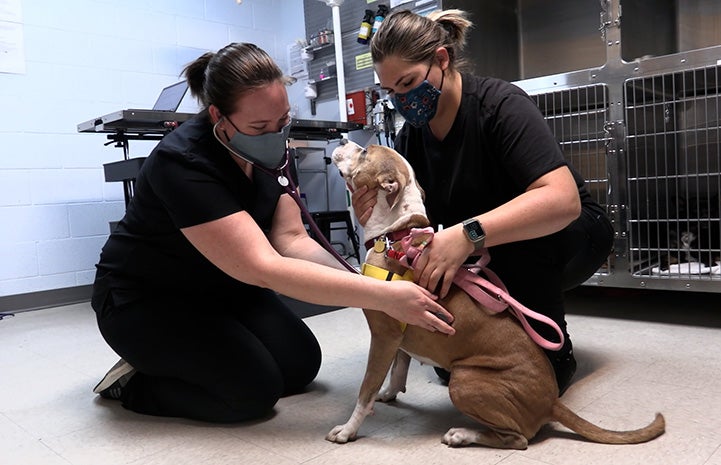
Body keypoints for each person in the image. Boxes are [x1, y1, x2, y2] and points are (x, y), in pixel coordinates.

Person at [90, 42, 455, 423]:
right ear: (219, 116)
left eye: (281, 122)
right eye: (259, 127)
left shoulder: (271, 150)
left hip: (221, 289)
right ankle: (132, 383)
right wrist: (383, 295)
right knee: (251, 393)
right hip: (148, 300)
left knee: (300, 365)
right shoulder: (182, 163)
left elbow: (292, 241)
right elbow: (263, 267)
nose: (274, 135)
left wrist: (371, 277)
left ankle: (200, 352)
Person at [352, 9, 614, 394]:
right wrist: (377, 216)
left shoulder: (499, 105)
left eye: (407, 83)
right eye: (391, 92)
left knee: (514, 250)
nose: (402, 100)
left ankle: (555, 357)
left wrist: (467, 235)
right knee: (448, 354)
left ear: (441, 60)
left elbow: (562, 200)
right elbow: (416, 223)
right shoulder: (412, 137)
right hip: (487, 244)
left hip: (568, 234)